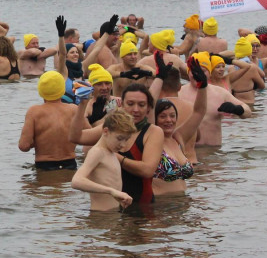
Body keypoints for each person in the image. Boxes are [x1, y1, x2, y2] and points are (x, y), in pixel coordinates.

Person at [69, 82, 164, 206]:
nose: (135, 109)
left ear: (148, 108)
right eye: (130, 104)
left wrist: (115, 157)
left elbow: (147, 170)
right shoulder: (111, 128)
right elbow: (75, 137)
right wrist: (82, 105)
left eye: (141, 105)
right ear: (121, 104)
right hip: (113, 204)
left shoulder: (154, 132)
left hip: (140, 204)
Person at [150, 58, 209, 197]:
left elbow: (199, 112)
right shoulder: (150, 139)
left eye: (172, 116)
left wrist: (203, 86)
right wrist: (159, 78)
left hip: (183, 205)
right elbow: (149, 106)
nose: (168, 120)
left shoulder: (178, 138)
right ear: (155, 119)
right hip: (160, 207)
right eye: (163, 116)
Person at [70, 111, 137, 211]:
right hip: (100, 217)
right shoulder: (97, 152)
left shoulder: (111, 152)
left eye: (126, 140)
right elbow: (76, 181)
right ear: (106, 131)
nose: (123, 145)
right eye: (119, 138)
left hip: (112, 214)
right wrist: (110, 191)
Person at [17, 71, 78, 170]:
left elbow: (23, 146)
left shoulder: (34, 112)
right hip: (70, 164)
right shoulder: (74, 109)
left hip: (45, 166)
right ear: (62, 89)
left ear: (41, 90)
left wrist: (38, 139)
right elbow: (89, 136)